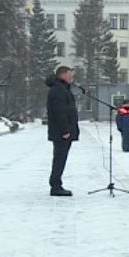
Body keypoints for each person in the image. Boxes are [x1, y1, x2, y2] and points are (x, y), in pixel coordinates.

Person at [46, 65, 80, 196]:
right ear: (63, 75)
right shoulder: (58, 90)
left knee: (61, 158)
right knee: (59, 158)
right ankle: (55, 185)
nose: (72, 77)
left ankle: (56, 183)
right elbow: (60, 112)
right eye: (70, 74)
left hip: (64, 131)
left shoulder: (63, 88)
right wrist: (65, 130)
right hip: (61, 132)